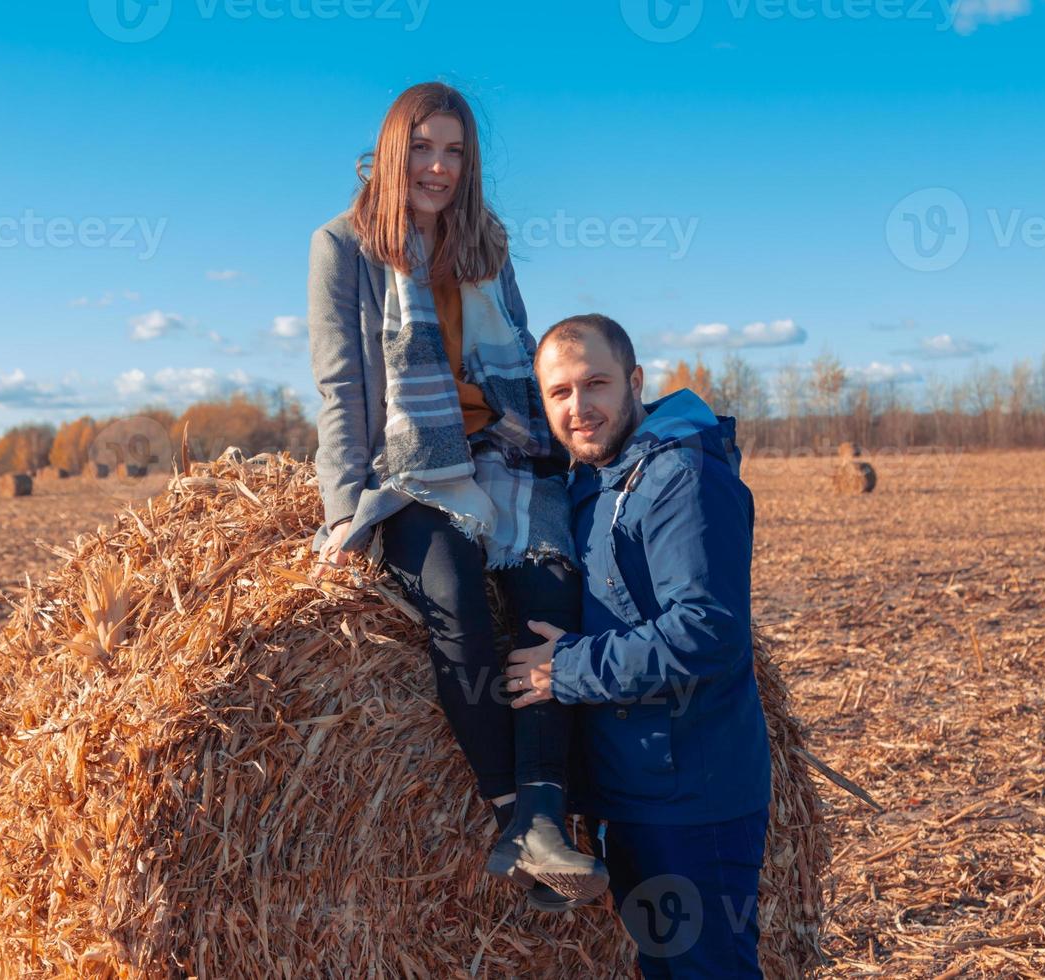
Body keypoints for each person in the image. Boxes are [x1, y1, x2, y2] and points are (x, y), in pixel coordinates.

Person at [306, 82, 608, 906]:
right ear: (394, 150)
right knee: (455, 601)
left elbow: (522, 358)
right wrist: (343, 515)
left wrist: (579, 447)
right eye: (426, 149)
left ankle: (547, 808)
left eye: (455, 153)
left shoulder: (487, 242)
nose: (439, 167)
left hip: (500, 451)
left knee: (551, 589)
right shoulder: (343, 245)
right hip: (412, 465)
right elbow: (342, 387)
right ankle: (511, 808)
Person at [506, 313, 772, 976]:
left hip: (693, 797)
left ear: (635, 381)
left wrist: (564, 669)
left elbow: (707, 632)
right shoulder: (596, 483)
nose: (580, 406)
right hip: (636, 792)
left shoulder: (680, 478)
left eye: (595, 383)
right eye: (559, 393)